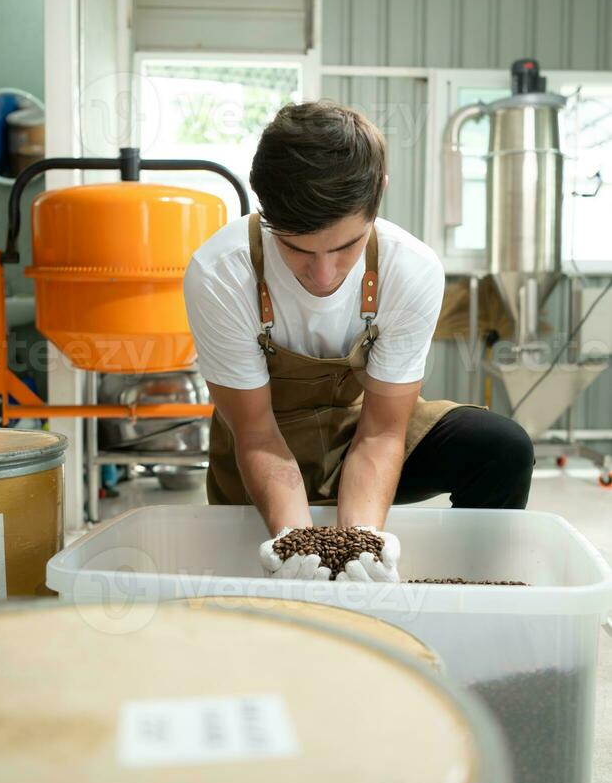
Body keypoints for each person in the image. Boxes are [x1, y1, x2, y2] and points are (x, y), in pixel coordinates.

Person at [184, 101, 535, 580]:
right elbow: (256, 435)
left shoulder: (410, 269)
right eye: (295, 248)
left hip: (362, 434)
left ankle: (473, 598)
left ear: (379, 196)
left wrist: (359, 543)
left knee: (502, 448)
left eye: (345, 246)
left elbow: (382, 432)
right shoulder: (221, 272)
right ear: (265, 209)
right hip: (264, 450)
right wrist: (299, 544)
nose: (323, 275)